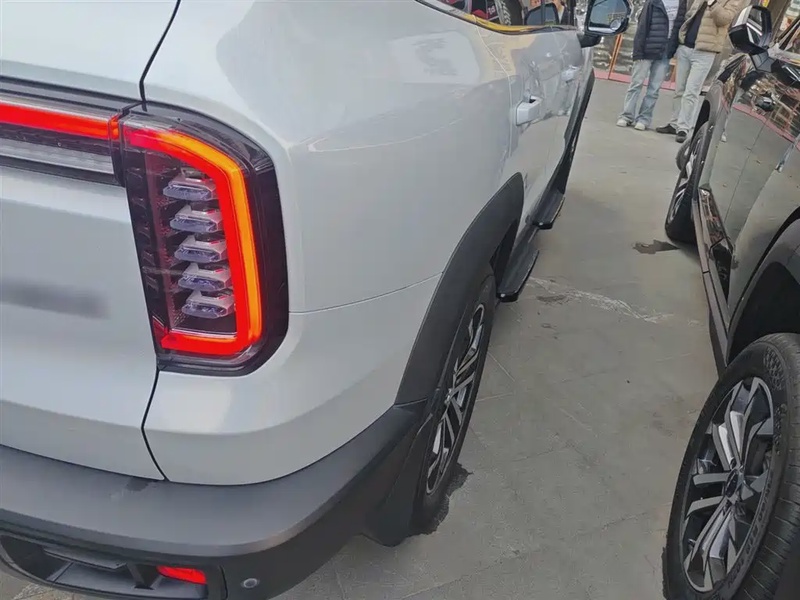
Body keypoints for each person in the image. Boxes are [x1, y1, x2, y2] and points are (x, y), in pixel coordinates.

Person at [656, 0, 744, 143]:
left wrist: (713, 3)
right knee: (679, 90)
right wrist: (681, 37)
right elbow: (690, 14)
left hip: (705, 52)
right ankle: (674, 123)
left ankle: (683, 127)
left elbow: (724, 19)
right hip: (686, 47)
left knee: (692, 91)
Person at [617, 0, 687, 131]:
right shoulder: (653, 2)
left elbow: (679, 28)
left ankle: (644, 119)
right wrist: (638, 51)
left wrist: (672, 48)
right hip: (646, 48)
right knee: (636, 84)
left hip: (665, 51)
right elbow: (642, 25)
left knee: (654, 89)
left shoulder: (682, 3)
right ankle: (626, 116)